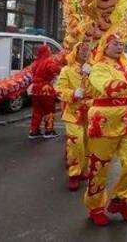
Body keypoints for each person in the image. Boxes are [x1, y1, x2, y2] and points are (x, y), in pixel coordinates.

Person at [85, 33, 127, 226]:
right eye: (115, 43)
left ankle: (120, 199)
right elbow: (112, 89)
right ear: (104, 46)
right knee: (99, 167)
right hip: (104, 124)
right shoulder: (99, 68)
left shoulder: (125, 64)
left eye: (121, 43)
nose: (119, 46)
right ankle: (95, 207)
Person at [56, 42, 92, 191]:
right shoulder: (67, 70)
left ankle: (83, 170)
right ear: (76, 52)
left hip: (90, 114)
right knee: (75, 144)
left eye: (87, 50)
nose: (85, 53)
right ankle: (74, 174)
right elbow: (58, 90)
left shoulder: (94, 69)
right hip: (73, 114)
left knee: (88, 145)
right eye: (82, 50)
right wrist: (72, 93)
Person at [28, 44, 63, 139]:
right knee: (49, 109)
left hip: (35, 88)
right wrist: (62, 70)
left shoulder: (35, 63)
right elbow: (55, 69)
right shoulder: (48, 61)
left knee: (37, 110)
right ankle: (49, 130)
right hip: (45, 88)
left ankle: (33, 131)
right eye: (49, 50)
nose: (50, 52)